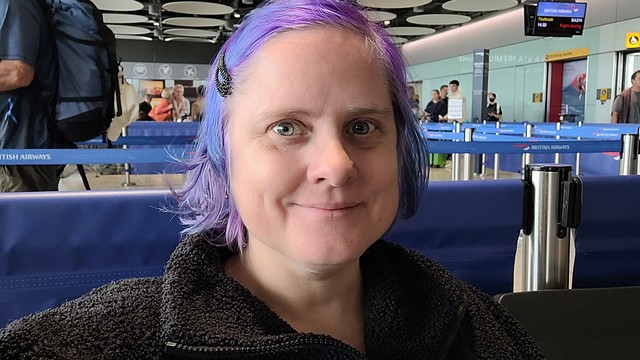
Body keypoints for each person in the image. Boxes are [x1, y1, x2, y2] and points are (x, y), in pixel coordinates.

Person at [0, 0, 545, 358]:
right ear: (223, 151)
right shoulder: (79, 346)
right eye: (287, 127)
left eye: (362, 126)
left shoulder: (478, 331)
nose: (336, 164)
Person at [0, 0, 61, 192]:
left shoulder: (14, 3)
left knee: (20, 220)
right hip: (13, 150)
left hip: (19, 152)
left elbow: (17, 72)